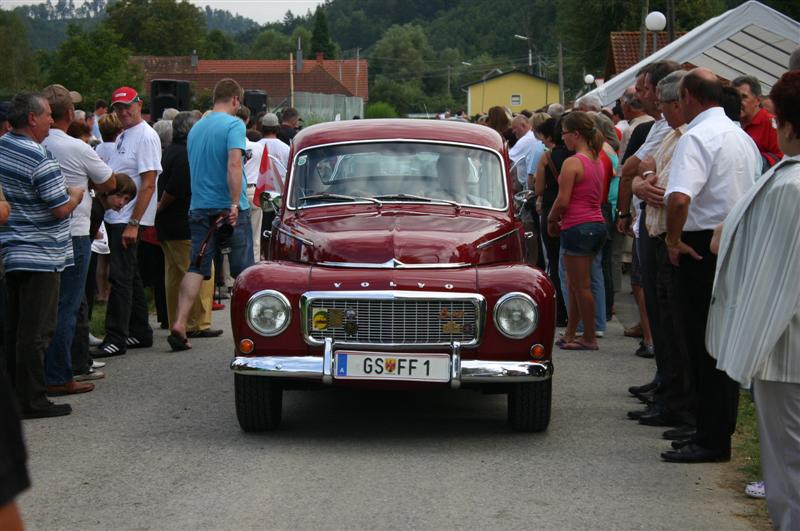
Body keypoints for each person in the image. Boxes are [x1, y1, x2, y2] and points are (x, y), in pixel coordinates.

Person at [707, 70, 800, 530]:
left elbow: (773, 281)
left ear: (786, 124)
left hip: (786, 357)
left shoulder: (792, 186)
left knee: (789, 473)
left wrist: (741, 360)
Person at [659, 68, 761, 463]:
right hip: (733, 237)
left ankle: (711, 436)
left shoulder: (697, 137)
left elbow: (680, 198)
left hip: (700, 243)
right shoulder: (739, 135)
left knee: (701, 342)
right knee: (719, 341)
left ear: (687, 96)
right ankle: (713, 427)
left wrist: (671, 239)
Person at [0, 91, 83, 418]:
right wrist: (75, 194)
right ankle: (33, 400)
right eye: (48, 114)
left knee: (16, 329)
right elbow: (60, 208)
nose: (53, 119)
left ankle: (14, 394)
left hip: (12, 251)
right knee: (36, 332)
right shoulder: (39, 157)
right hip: (41, 254)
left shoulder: (3, 148)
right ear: (32, 118)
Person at [629, 70, 695, 429]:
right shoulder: (671, 134)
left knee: (675, 326)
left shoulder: (689, 138)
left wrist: (645, 182)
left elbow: (672, 191)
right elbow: (639, 173)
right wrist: (641, 184)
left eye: (665, 104)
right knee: (664, 319)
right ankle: (667, 392)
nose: (661, 110)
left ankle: (678, 401)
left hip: (671, 237)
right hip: (654, 229)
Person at [41, 84, 116, 393]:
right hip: (74, 230)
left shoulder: (30, 143)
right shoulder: (77, 147)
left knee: (41, 307)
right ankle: (61, 372)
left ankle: (42, 369)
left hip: (39, 233)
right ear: (70, 114)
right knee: (68, 305)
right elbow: (109, 181)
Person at [169, 78, 254, 351]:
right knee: (244, 272)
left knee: (197, 266)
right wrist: (232, 203)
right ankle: (249, 332)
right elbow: (233, 162)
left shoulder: (195, 129)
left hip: (199, 206)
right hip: (229, 208)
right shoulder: (234, 125)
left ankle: (180, 323)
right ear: (236, 101)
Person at [93, 86, 161, 358]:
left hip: (127, 216)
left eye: (128, 106)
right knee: (129, 276)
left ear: (139, 104)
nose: (123, 112)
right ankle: (140, 331)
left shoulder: (145, 136)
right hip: (119, 215)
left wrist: (134, 221)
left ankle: (115, 337)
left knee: (119, 277)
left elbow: (148, 183)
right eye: (118, 107)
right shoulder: (126, 134)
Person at [155, 111, 221, 340]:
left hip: (167, 226)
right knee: (200, 271)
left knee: (173, 275)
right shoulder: (185, 154)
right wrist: (161, 205)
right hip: (183, 223)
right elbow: (175, 187)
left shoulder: (169, 151)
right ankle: (197, 322)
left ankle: (175, 318)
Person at [547, 111, 607, 350]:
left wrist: (551, 219)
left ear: (576, 134)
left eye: (564, 134)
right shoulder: (596, 158)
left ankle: (589, 336)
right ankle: (572, 332)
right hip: (596, 224)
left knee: (580, 285)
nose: (563, 139)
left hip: (578, 225)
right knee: (576, 284)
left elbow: (563, 200)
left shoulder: (573, 162)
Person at [533, 117, 569, 326]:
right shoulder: (576, 156)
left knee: (554, 263)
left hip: (550, 210)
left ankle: (560, 311)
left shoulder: (547, 157)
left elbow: (538, 189)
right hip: (572, 211)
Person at [732, 75, 783, 168]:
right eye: (735, 96)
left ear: (758, 100)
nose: (738, 101)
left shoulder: (771, 123)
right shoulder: (728, 120)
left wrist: (753, 159)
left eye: (744, 97)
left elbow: (781, 159)